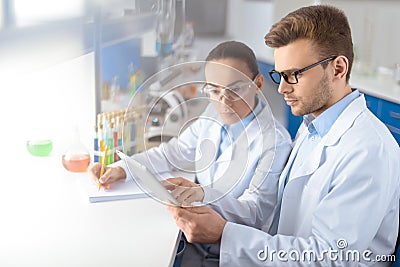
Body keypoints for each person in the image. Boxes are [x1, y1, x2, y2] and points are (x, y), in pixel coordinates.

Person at [166, 5, 400, 266]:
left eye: (294, 75)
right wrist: (204, 195)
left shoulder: (368, 150)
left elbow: (330, 258)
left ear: (338, 69)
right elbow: (274, 209)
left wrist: (224, 235)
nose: (282, 88)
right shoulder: (313, 126)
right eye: (280, 75)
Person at [90, 41, 292, 266]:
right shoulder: (213, 115)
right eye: (214, 90)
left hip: (232, 253)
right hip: (196, 240)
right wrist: (122, 168)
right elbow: (174, 152)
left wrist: (204, 194)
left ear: (258, 84)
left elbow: (255, 212)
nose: (223, 101)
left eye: (234, 89)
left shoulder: (275, 142)